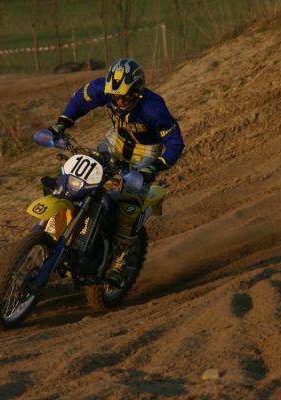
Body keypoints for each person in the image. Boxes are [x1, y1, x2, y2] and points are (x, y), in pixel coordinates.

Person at [47, 58, 185, 287]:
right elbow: (80, 100)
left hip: (146, 151)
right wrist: (61, 123)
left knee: (130, 204)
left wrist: (154, 167)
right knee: (82, 173)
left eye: (124, 97)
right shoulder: (102, 88)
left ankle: (120, 261)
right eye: (115, 97)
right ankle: (58, 229)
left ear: (137, 92)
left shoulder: (154, 107)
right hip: (115, 141)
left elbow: (175, 142)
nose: (119, 101)